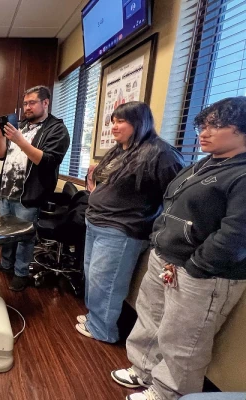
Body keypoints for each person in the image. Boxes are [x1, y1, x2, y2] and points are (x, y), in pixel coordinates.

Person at [112, 97, 246, 400]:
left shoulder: (241, 174)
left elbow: (237, 235)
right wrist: (159, 239)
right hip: (166, 258)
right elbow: (170, 204)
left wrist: (197, 266)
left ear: (242, 130)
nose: (204, 132)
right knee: (151, 320)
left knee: (184, 340)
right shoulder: (204, 164)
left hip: (203, 273)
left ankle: (168, 392)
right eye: (203, 125)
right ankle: (143, 371)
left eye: (216, 125)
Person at [76, 102, 184, 344]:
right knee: (94, 279)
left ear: (139, 122)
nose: (114, 126)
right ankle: (96, 318)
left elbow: (176, 198)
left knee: (106, 283)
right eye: (113, 121)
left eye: (121, 121)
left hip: (121, 230)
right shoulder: (121, 150)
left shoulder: (161, 154)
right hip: (97, 223)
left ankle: (104, 330)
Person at [0, 85, 70, 291]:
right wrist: (1, 138)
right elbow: (1, 156)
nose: (27, 107)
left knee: (25, 236)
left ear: (45, 103)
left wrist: (20, 140)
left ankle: (21, 273)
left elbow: (47, 161)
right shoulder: (22, 126)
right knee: (6, 233)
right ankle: (6, 264)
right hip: (7, 190)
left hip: (30, 194)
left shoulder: (57, 129)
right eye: (25, 103)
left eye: (32, 102)